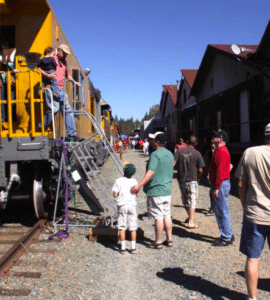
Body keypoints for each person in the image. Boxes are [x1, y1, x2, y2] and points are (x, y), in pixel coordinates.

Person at [234, 123, 270, 300]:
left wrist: (244, 205)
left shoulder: (251, 152)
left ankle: (252, 298)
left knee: (253, 257)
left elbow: (241, 184)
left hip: (254, 213)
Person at [131, 132, 174, 249]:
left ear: (157, 142)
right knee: (167, 215)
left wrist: (139, 185)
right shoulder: (170, 154)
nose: (152, 142)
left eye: (154, 140)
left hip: (156, 190)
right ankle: (169, 239)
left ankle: (158, 241)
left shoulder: (155, 155)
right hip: (167, 190)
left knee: (158, 216)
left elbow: (151, 172)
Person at [38, 44, 81, 141]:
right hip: (52, 88)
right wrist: (47, 76)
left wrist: (75, 81)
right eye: (64, 53)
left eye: (66, 54)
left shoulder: (64, 62)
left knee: (68, 110)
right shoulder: (50, 58)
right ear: (59, 51)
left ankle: (72, 134)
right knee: (55, 108)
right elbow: (38, 68)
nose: (65, 55)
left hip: (61, 89)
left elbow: (67, 74)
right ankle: (41, 126)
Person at [209, 129, 234, 246]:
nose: (213, 137)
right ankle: (228, 234)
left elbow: (220, 171)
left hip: (220, 184)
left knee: (221, 211)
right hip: (222, 183)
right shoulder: (220, 150)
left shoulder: (221, 151)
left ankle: (226, 237)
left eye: (216, 136)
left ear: (221, 139)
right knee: (222, 210)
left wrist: (217, 187)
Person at [174, 135, 205, 228]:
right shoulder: (197, 153)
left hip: (181, 179)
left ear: (186, 141)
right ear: (195, 144)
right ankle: (191, 221)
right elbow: (200, 170)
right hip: (192, 179)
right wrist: (198, 177)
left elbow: (173, 163)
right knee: (192, 200)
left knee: (184, 200)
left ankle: (189, 217)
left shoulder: (179, 151)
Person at [112, 163, 139, 254]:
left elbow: (115, 194)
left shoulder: (118, 181)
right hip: (132, 206)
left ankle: (123, 247)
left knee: (122, 227)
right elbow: (138, 194)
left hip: (122, 206)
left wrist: (120, 194)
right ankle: (133, 247)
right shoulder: (134, 181)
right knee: (133, 227)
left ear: (124, 171)